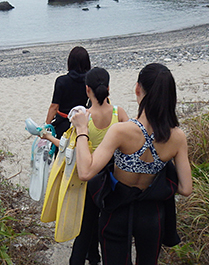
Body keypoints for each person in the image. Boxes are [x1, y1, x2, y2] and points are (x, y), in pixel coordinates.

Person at [71, 63, 193, 265]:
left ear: (137, 89)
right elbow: (185, 188)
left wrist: (82, 130)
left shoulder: (121, 131)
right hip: (151, 214)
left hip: (117, 210)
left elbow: (85, 172)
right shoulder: (177, 137)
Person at [42, 67, 129, 265]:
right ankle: (98, 257)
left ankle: (84, 260)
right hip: (115, 181)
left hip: (90, 181)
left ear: (87, 89)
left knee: (84, 229)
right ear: (108, 88)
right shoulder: (119, 113)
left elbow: (67, 149)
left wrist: (48, 136)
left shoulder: (83, 118)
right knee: (108, 229)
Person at [46, 46, 91, 140]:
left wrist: (47, 125)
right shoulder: (89, 81)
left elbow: (54, 106)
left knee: (61, 150)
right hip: (82, 121)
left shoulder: (61, 81)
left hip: (63, 122)